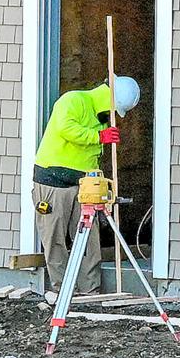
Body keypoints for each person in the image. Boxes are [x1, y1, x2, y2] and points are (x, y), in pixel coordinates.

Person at [33, 76, 141, 295]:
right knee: (55, 238)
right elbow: (66, 129)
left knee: (88, 238)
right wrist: (98, 136)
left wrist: (101, 185)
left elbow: (93, 157)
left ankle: (90, 289)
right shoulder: (73, 100)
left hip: (83, 185)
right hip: (53, 182)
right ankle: (62, 291)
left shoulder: (101, 119)